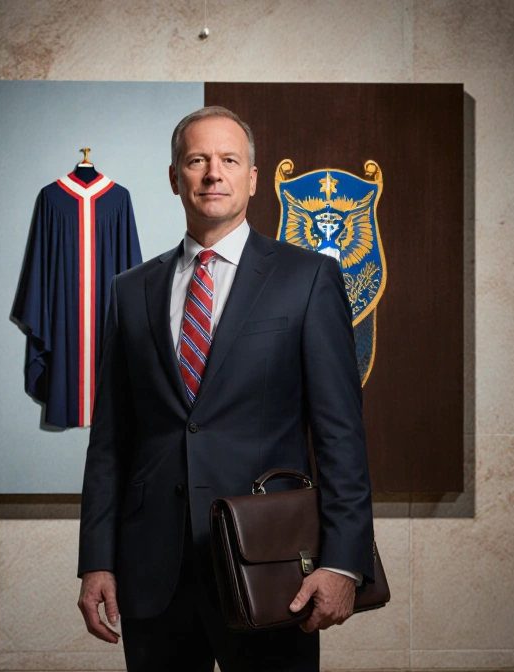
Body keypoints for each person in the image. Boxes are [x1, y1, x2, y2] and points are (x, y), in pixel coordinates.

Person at [76, 106, 374, 671]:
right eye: (197, 160)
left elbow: (340, 436)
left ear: (253, 178)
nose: (214, 173)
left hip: (270, 566)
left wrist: (342, 563)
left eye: (229, 160)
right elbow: (110, 444)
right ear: (174, 178)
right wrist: (97, 560)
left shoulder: (308, 279)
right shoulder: (129, 290)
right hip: (153, 573)